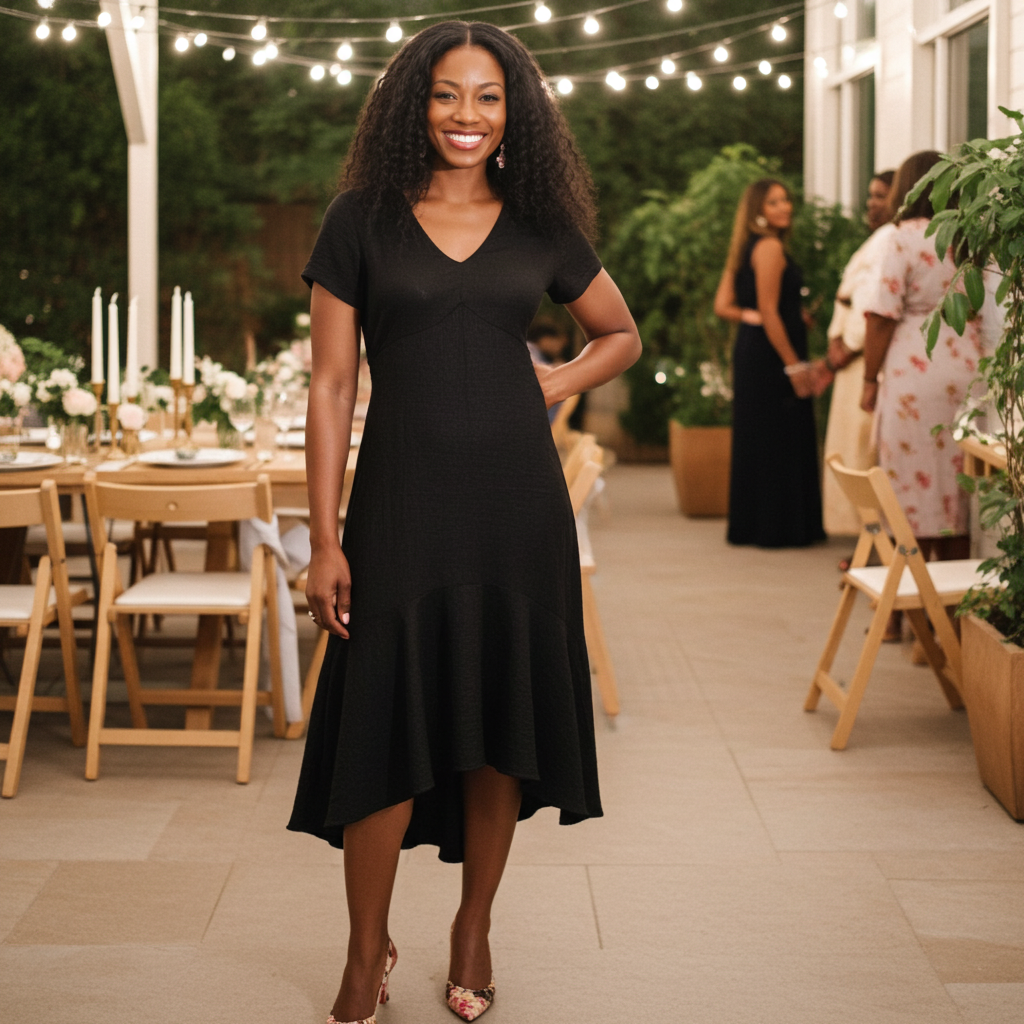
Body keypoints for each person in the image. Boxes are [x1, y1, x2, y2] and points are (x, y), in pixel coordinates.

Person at [290, 21, 641, 1024]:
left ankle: (472, 924)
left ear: (513, 113)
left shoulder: (538, 222)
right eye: (447, 94)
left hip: (513, 512)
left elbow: (619, 332)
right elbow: (328, 387)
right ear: (415, 102)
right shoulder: (359, 219)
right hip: (396, 506)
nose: (466, 116)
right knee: (384, 724)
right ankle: (365, 952)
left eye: (487, 98)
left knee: (497, 727)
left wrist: (554, 381)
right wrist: (324, 538)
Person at [860, 151, 989, 566]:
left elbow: (881, 316)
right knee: (956, 487)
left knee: (904, 488)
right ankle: (948, 613)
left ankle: (900, 610)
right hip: (966, 365)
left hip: (914, 367)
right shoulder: (969, 236)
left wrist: (868, 379)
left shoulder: (903, 236)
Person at [714, 178, 827, 548]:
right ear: (758, 209)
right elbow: (768, 310)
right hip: (772, 357)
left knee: (761, 436)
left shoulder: (744, 248)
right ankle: (780, 529)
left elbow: (726, 305)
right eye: (775, 202)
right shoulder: (770, 247)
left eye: (787, 200)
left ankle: (754, 525)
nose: (785, 207)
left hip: (755, 351)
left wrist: (768, 317)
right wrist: (795, 366)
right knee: (781, 437)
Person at [822, 170, 895, 548]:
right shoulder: (877, 239)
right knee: (854, 452)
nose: (872, 203)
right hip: (849, 354)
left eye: (882, 196)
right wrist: (836, 339)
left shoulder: (891, 240)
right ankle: (869, 542)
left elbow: (872, 305)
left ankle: (873, 544)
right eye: (870, 195)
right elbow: (850, 295)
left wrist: (846, 347)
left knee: (865, 453)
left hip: (862, 357)